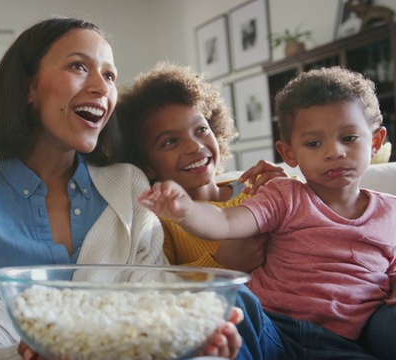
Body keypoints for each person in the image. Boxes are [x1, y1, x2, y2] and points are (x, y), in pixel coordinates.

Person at [0, 16, 249, 360]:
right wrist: (19, 355)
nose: (102, 87)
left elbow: (155, 309)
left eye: (110, 75)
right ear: (28, 87)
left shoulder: (129, 187)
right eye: (79, 66)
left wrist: (191, 343)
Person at [139, 66, 395, 359]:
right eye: (314, 143)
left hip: (340, 343)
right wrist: (185, 210)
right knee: (235, 298)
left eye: (349, 138)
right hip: (271, 327)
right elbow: (224, 222)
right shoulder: (282, 195)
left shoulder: (389, 213)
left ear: (375, 142)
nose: (334, 152)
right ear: (289, 154)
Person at [116, 61, 286, 273]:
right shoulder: (162, 223)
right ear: (146, 166)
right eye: (170, 142)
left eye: (201, 129)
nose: (194, 146)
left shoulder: (259, 189)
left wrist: (291, 191)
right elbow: (164, 285)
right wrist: (219, 265)